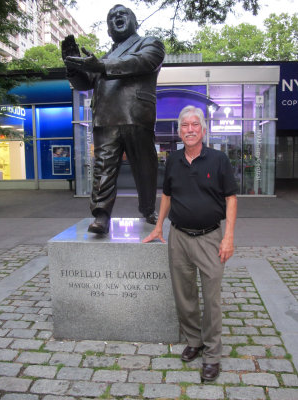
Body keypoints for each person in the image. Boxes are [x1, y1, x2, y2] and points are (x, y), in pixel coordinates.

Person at [143, 105, 237, 381]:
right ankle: (194, 341)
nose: (190, 130)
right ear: (180, 131)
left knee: (212, 300)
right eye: (185, 125)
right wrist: (160, 226)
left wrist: (228, 237)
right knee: (184, 297)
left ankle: (212, 354)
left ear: (203, 130)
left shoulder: (219, 160)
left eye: (195, 125)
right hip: (179, 237)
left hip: (210, 238)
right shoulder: (172, 160)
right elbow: (168, 196)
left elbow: (231, 199)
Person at [62, 4, 165, 234]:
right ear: (109, 30)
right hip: (105, 119)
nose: (117, 17)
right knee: (103, 169)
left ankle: (148, 208)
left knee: (145, 167)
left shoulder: (150, 44)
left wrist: (101, 65)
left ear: (134, 22)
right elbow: (84, 84)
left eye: (122, 14)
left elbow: (142, 62)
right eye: (112, 17)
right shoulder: (103, 58)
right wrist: (72, 66)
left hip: (136, 116)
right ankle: (101, 215)